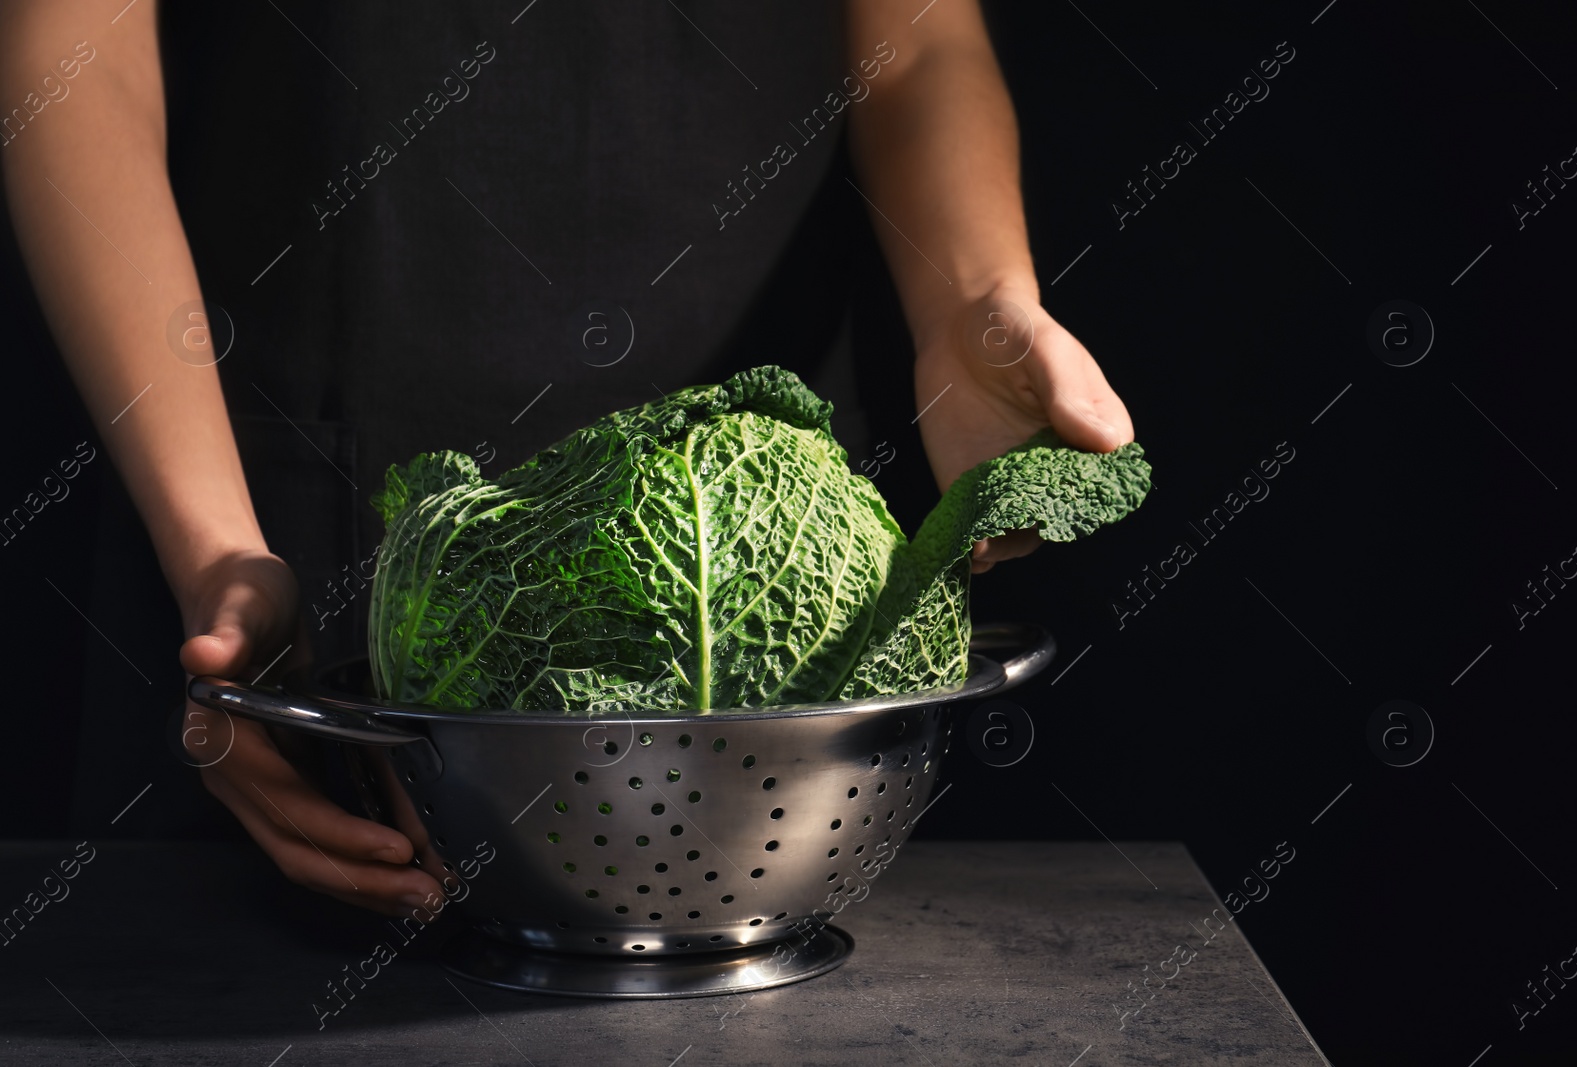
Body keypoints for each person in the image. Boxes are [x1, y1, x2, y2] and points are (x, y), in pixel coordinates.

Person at [1, 0, 1133, 918]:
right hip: (287, 504)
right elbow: (69, 41)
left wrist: (974, 307)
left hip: (771, 517)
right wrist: (214, 547)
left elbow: (917, 34)